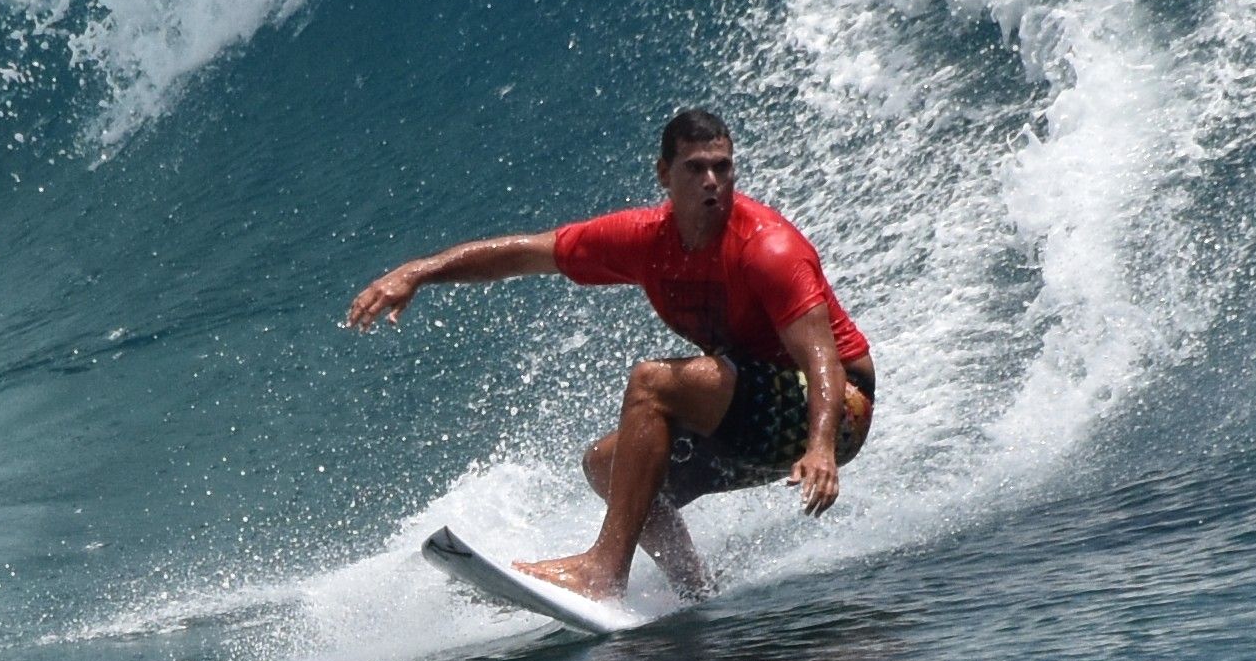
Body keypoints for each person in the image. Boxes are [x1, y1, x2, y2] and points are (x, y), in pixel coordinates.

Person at [344, 107, 874, 602]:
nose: (712, 181)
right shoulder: (645, 240)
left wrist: (821, 447)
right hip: (755, 408)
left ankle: (604, 570)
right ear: (664, 174)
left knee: (653, 382)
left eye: (722, 167)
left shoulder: (768, 248)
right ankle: (695, 587)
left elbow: (821, 359)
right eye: (695, 168)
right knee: (607, 465)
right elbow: (527, 253)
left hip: (838, 407)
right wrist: (419, 272)